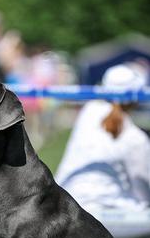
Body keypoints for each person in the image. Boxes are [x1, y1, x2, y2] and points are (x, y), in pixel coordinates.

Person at [55, 64, 150, 212]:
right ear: (136, 98)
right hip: (104, 213)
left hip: (63, 204)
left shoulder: (88, 112)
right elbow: (143, 194)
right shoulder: (136, 138)